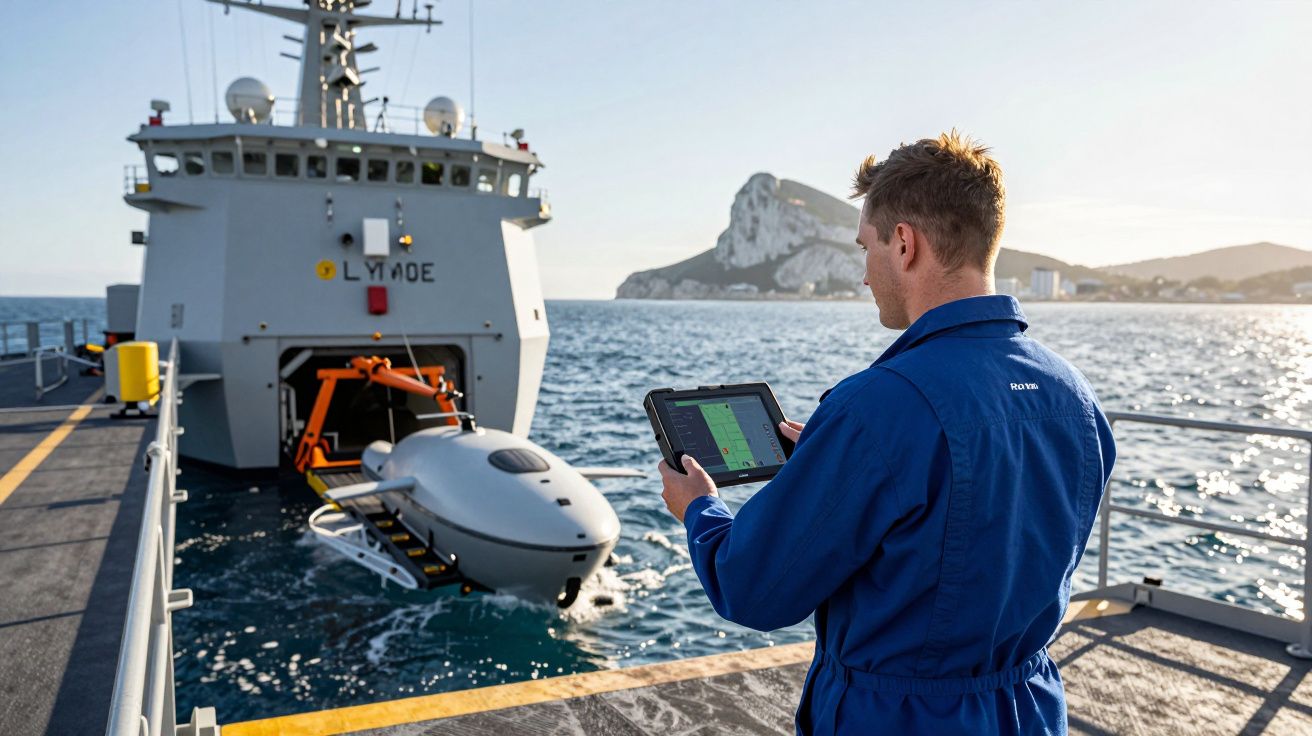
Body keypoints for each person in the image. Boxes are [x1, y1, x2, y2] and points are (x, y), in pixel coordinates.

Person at [658, 131, 1116, 735]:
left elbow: (752, 589)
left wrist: (700, 509)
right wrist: (836, 464)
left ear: (903, 244)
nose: (864, 275)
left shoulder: (875, 410)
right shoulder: (1075, 398)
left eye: (865, 246)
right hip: (1026, 711)